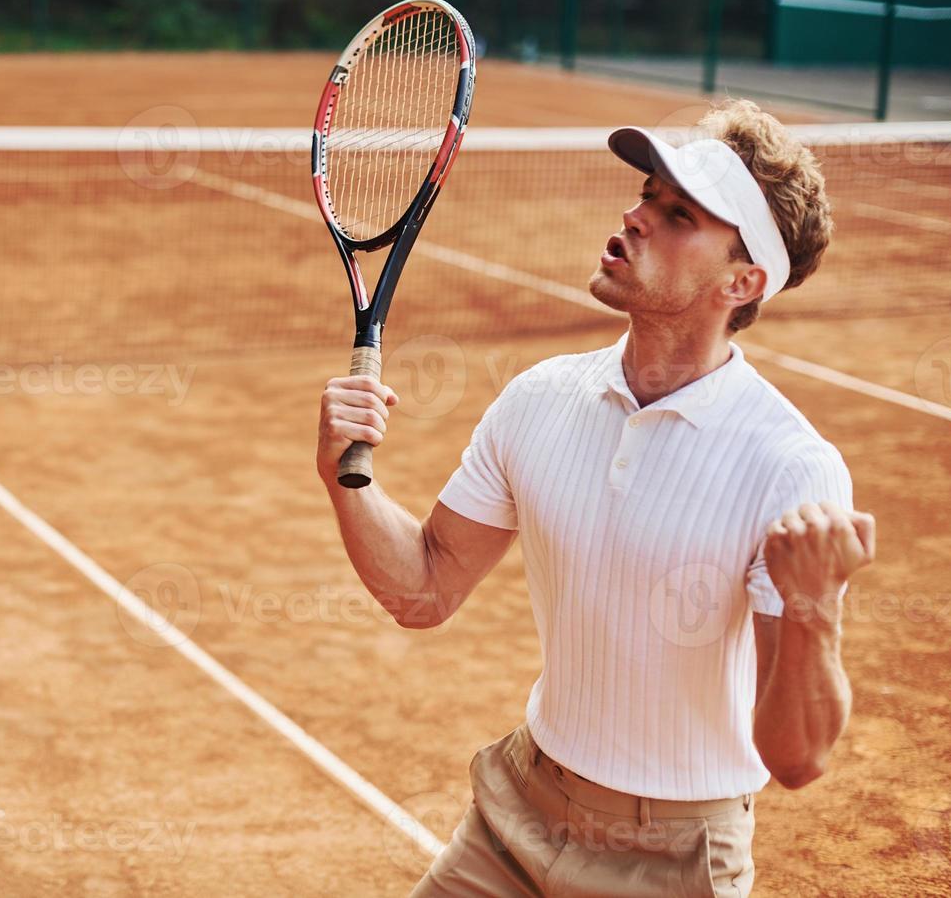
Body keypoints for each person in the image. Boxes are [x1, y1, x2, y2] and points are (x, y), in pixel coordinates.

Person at [315, 99, 876, 897]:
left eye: (677, 213)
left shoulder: (789, 465)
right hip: (516, 813)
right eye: (647, 194)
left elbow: (799, 759)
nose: (637, 215)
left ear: (742, 281)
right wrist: (342, 477)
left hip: (676, 858)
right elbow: (425, 588)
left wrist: (815, 605)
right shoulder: (538, 398)